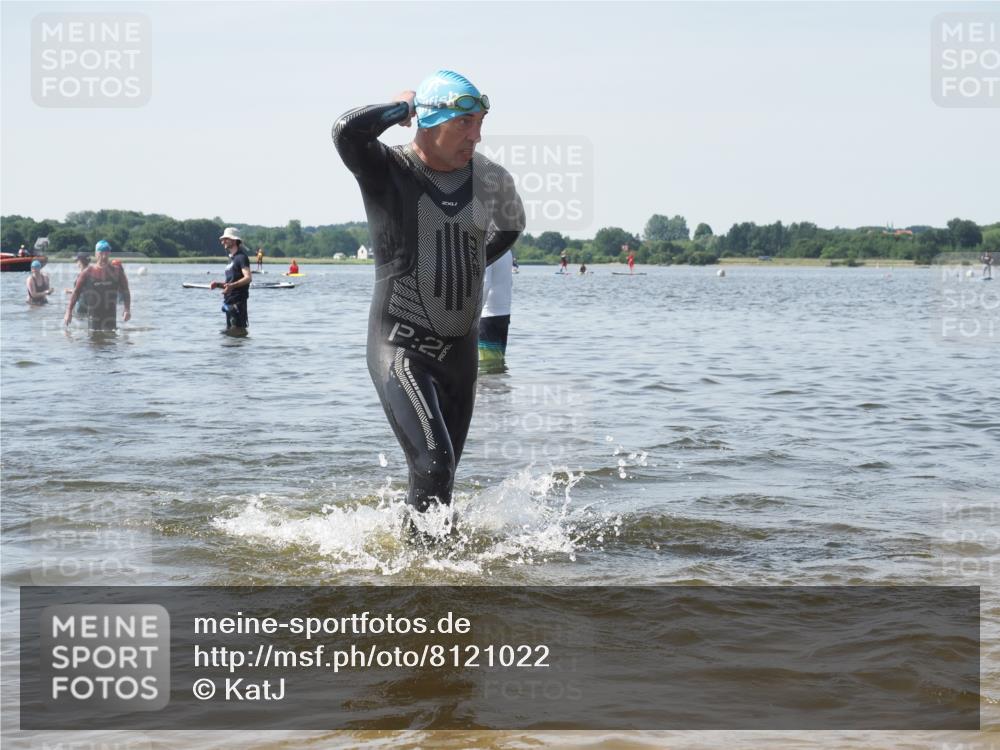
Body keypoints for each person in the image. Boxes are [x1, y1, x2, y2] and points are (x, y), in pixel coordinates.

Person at [333, 69, 524, 518]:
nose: (476, 136)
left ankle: (435, 570)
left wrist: (471, 263)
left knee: (444, 480)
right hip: (402, 347)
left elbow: (511, 227)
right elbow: (346, 131)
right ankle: (416, 579)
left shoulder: (491, 180)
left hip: (460, 353)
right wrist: (401, 107)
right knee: (433, 466)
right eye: (464, 124)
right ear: (430, 120)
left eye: (480, 123)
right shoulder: (387, 169)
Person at [65, 240, 131, 330]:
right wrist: (68, 312)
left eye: (106, 253)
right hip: (93, 319)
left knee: (111, 340)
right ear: (96, 254)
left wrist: (127, 309)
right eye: (101, 253)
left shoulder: (117, 272)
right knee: (94, 339)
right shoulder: (87, 272)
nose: (104, 256)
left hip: (110, 319)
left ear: (109, 253)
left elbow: (125, 290)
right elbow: (76, 292)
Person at [211, 227, 252, 335]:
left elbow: (248, 278)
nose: (222, 241)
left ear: (234, 240)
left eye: (226, 239)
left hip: (238, 302)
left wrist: (232, 286)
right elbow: (230, 282)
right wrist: (218, 285)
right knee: (229, 338)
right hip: (229, 302)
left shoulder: (241, 257)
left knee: (237, 333)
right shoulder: (232, 259)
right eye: (222, 239)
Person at [479, 249, 514, 373]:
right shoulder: (507, 249)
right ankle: (500, 391)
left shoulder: (488, 248)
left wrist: (476, 312)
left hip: (487, 314)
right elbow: (510, 282)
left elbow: (485, 283)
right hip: (504, 313)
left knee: (486, 365)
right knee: (498, 362)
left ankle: (490, 392)